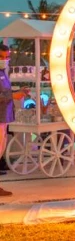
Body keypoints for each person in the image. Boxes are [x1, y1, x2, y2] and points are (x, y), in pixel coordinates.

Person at [0, 45, 30, 196]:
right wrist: (13, 96)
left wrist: (18, 92)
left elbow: (4, 92)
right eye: (1, 57)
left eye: (6, 57)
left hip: (4, 117)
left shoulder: (3, 73)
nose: (4, 60)